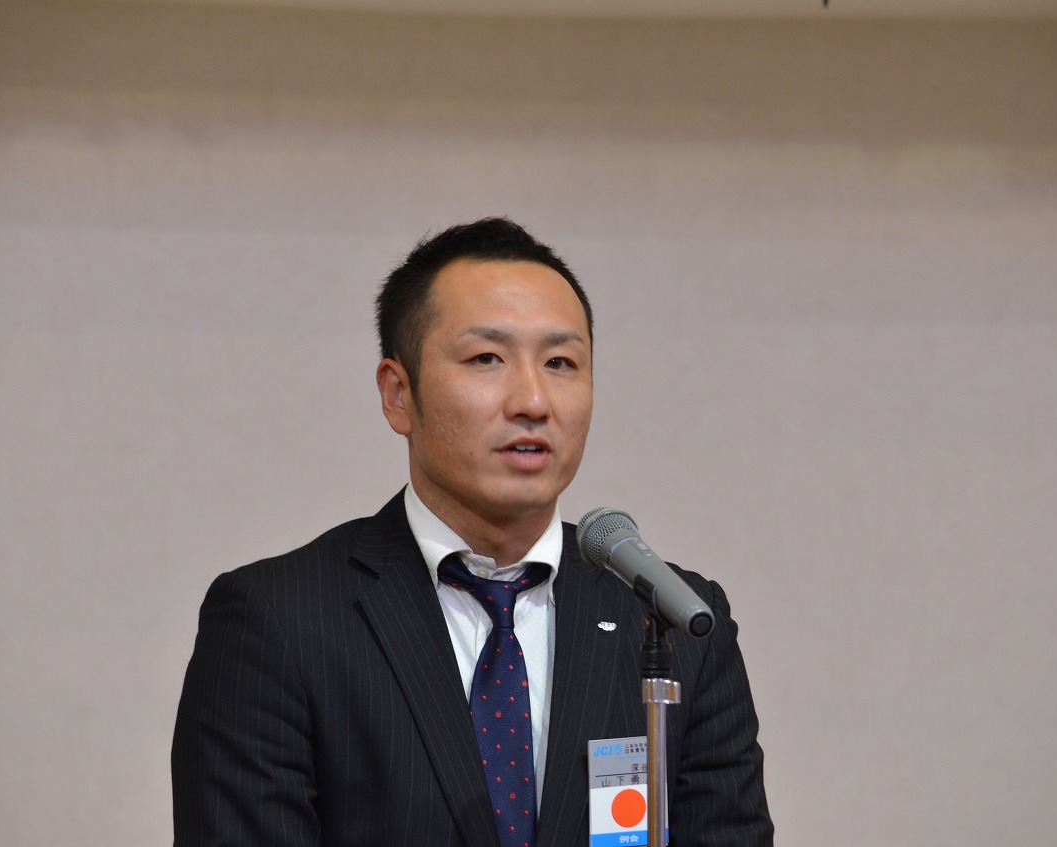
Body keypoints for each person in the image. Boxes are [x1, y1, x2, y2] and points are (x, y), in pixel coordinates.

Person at [171, 217, 773, 846]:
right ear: (398, 394)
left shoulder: (674, 623)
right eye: (487, 358)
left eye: (561, 362)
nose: (532, 401)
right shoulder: (279, 621)